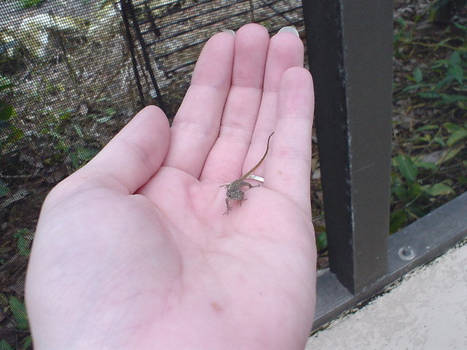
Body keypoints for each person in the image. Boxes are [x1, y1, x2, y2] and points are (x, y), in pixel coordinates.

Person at [25, 23, 317, 350]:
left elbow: (235, 191)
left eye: (237, 194)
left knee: (242, 183)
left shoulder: (237, 192)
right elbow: (230, 194)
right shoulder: (231, 194)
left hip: (236, 184)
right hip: (231, 187)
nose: (235, 197)